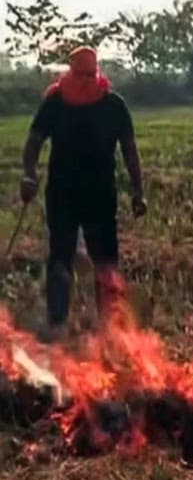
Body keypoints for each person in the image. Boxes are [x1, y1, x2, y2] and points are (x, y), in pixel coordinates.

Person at [19, 46, 147, 343]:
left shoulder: (114, 105)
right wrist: (29, 173)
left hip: (101, 196)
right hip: (62, 196)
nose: (86, 81)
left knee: (105, 263)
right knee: (60, 260)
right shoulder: (55, 103)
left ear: (98, 72)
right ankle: (57, 326)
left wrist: (139, 191)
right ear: (71, 72)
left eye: (91, 75)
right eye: (81, 75)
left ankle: (110, 330)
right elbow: (33, 143)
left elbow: (130, 150)